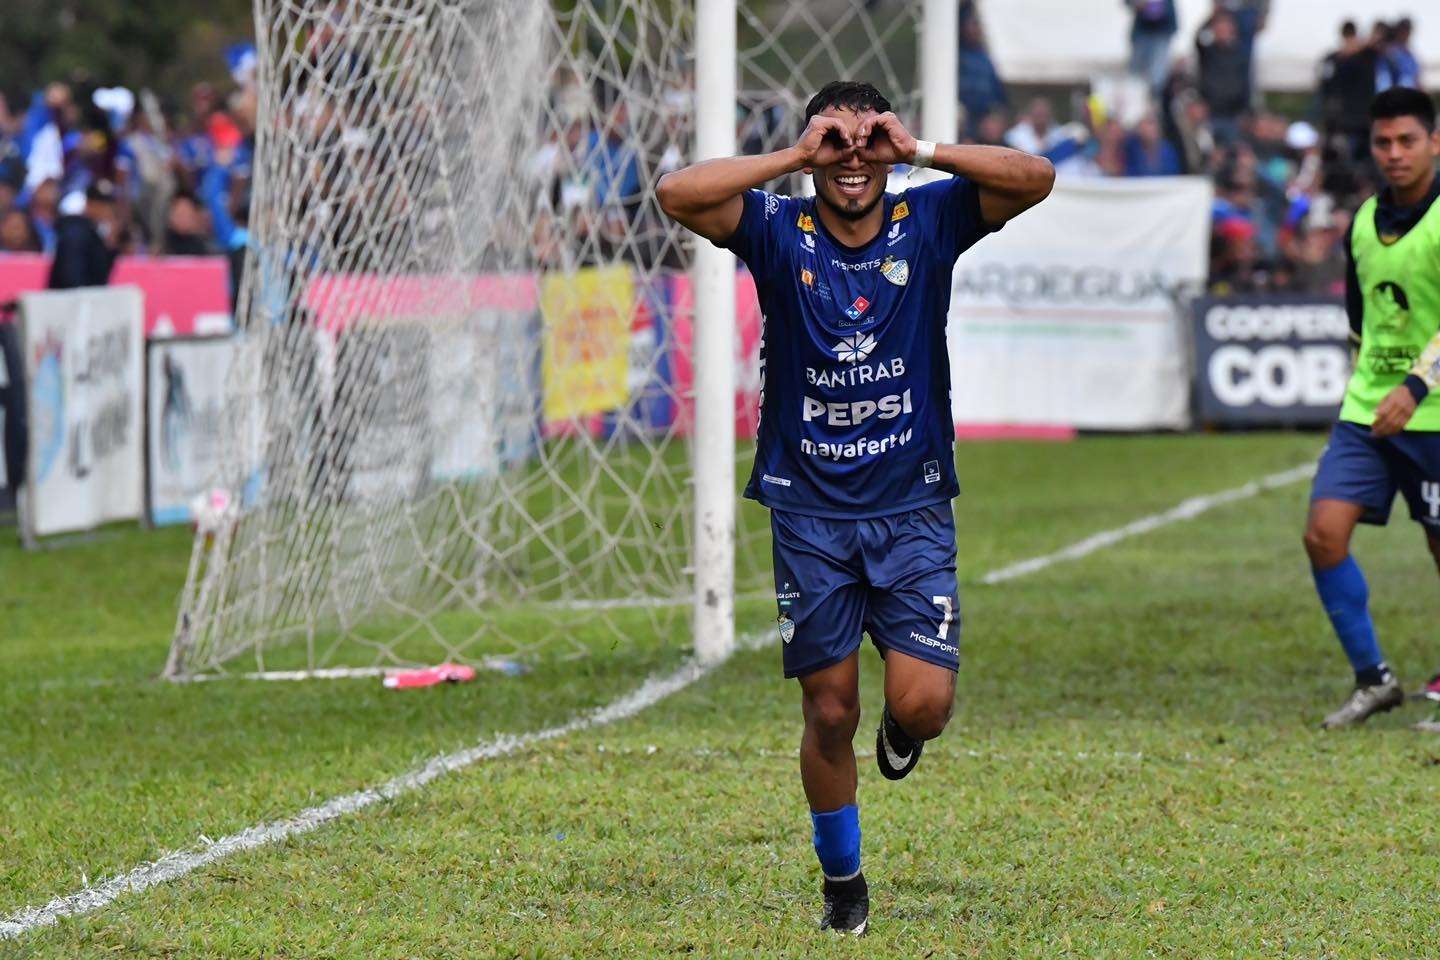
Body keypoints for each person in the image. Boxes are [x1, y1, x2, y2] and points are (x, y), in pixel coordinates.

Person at [656, 80, 1054, 933]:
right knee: (830, 709)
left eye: (864, 143)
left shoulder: (931, 216)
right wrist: (793, 154)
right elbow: (676, 193)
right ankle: (843, 885)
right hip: (809, 511)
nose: (850, 160)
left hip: (911, 504)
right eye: (833, 143)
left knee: (924, 706)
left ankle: (903, 735)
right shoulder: (776, 227)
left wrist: (918, 150)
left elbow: (1037, 177)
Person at [1303, 87, 1440, 732]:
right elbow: (1360, 320)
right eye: (1383, 142)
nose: (1394, 153)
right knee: (1323, 534)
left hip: (1431, 413)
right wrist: (1367, 385)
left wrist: (1414, 387)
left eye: (1407, 140)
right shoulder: (1361, 221)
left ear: (1434, 142)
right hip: (1368, 412)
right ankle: (1374, 679)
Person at [47, 179, 117, 289]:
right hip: (71, 297)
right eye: (100, 205)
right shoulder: (75, 231)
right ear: (88, 204)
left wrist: (110, 248)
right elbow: (70, 276)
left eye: (108, 206)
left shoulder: (95, 233)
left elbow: (102, 276)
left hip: (86, 295)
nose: (106, 210)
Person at [1126, 0, 1178, 96]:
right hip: (1142, 31)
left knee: (1157, 75)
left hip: (1163, 30)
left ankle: (1155, 98)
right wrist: (1137, 3)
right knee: (1136, 75)